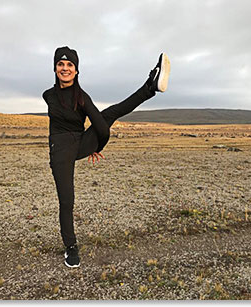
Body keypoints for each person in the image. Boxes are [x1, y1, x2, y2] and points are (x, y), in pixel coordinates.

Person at [42, 46, 170, 268]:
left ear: (76, 70)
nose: (65, 68)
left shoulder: (82, 97)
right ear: (55, 68)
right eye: (61, 64)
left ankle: (150, 86)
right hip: (60, 150)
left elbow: (102, 127)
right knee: (66, 200)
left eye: (69, 65)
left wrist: (96, 145)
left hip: (80, 142)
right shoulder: (48, 96)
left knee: (110, 113)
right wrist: (96, 144)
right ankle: (71, 247)